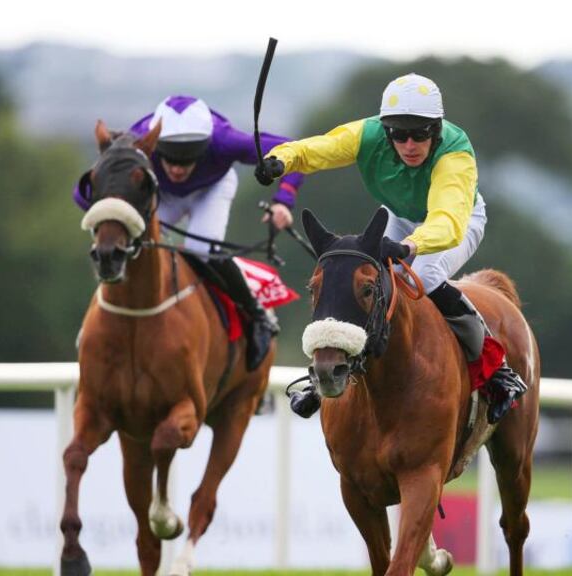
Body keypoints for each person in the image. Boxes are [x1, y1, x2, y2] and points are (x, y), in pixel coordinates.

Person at [256, 73, 526, 423]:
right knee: (364, 276)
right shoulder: (368, 134)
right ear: (386, 131)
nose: (409, 144)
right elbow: (319, 148)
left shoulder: (456, 154)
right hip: (399, 216)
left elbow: (446, 222)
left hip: (456, 222)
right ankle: (330, 368)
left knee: (424, 276)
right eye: (399, 134)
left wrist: (410, 246)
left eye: (420, 133)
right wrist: (281, 160)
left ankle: (497, 369)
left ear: (437, 130)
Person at [74, 95, 305, 370]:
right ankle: (96, 323)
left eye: (187, 159)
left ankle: (258, 318)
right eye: (169, 158)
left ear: (206, 146)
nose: (177, 168)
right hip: (162, 193)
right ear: (155, 144)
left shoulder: (224, 140)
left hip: (211, 189)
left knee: (202, 251)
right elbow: (82, 194)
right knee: (127, 245)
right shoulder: (138, 141)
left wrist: (283, 200)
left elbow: (293, 150)